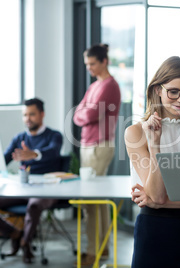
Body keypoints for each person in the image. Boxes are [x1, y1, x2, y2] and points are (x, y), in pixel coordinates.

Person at [125, 56, 180, 268]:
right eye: (173, 91)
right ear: (158, 89)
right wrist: (155, 144)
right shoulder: (136, 132)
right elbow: (156, 194)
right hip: (154, 231)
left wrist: (161, 200)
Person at [73, 43, 121, 266]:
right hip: (88, 146)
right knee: (98, 200)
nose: (89, 68)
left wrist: (83, 113)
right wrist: (83, 113)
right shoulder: (95, 86)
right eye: (87, 64)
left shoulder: (109, 86)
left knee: (92, 200)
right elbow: (78, 114)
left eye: (92, 63)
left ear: (104, 61)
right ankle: (102, 248)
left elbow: (88, 114)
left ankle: (94, 250)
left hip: (98, 146)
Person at [0, 97, 63, 263]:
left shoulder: (54, 136)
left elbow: (53, 152)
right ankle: (13, 232)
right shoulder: (19, 138)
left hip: (47, 188)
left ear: (42, 114)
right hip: (23, 187)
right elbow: (4, 160)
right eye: (25, 115)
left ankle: (25, 243)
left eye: (32, 114)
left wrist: (34, 154)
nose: (28, 118)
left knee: (34, 205)